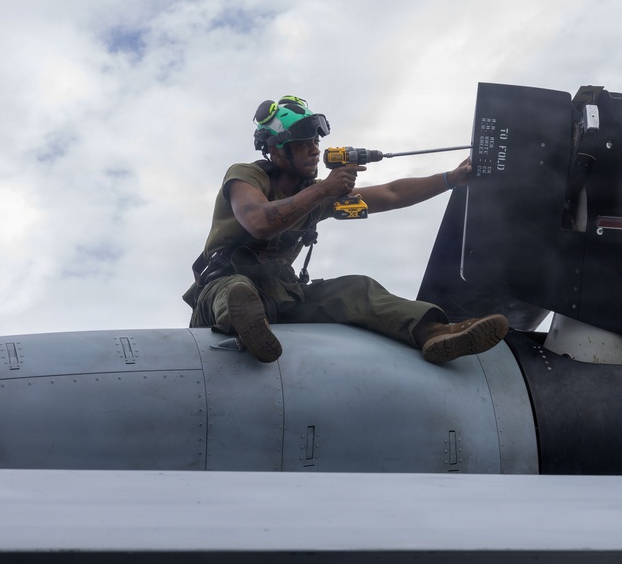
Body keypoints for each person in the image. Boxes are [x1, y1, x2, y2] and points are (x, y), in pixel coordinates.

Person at [183, 95, 509, 364]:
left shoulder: (317, 196)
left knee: (357, 289)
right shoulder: (246, 175)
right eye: (303, 143)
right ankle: (244, 322)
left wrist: (450, 179)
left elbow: (391, 193)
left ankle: (433, 333)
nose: (315, 149)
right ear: (278, 149)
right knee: (236, 290)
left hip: (280, 297)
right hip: (219, 292)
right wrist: (323, 189)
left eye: (315, 141)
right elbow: (259, 222)